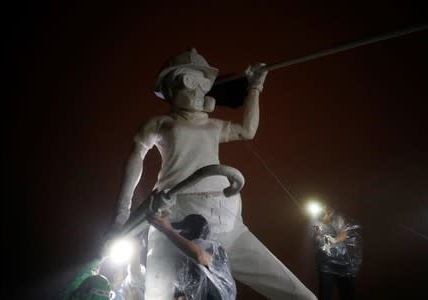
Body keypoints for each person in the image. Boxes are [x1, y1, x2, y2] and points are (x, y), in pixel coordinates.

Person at [107, 48, 316, 300]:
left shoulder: (212, 125)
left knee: (299, 295)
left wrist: (255, 87)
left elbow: (247, 131)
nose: (196, 89)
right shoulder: (160, 123)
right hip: (175, 217)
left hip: (227, 217)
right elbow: (135, 160)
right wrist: (120, 217)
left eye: (203, 82)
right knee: (157, 295)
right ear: (171, 87)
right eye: (189, 81)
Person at [148, 212, 236, 300]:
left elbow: (200, 256)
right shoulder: (189, 267)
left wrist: (168, 230)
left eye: (183, 232)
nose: (181, 234)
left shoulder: (215, 252)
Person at [313, 204, 362, 300]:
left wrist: (334, 240)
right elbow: (316, 240)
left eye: (323, 212)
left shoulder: (337, 219)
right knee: (325, 290)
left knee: (347, 290)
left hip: (342, 260)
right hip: (325, 261)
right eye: (319, 213)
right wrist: (318, 236)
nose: (321, 215)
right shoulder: (317, 223)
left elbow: (344, 234)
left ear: (328, 211)